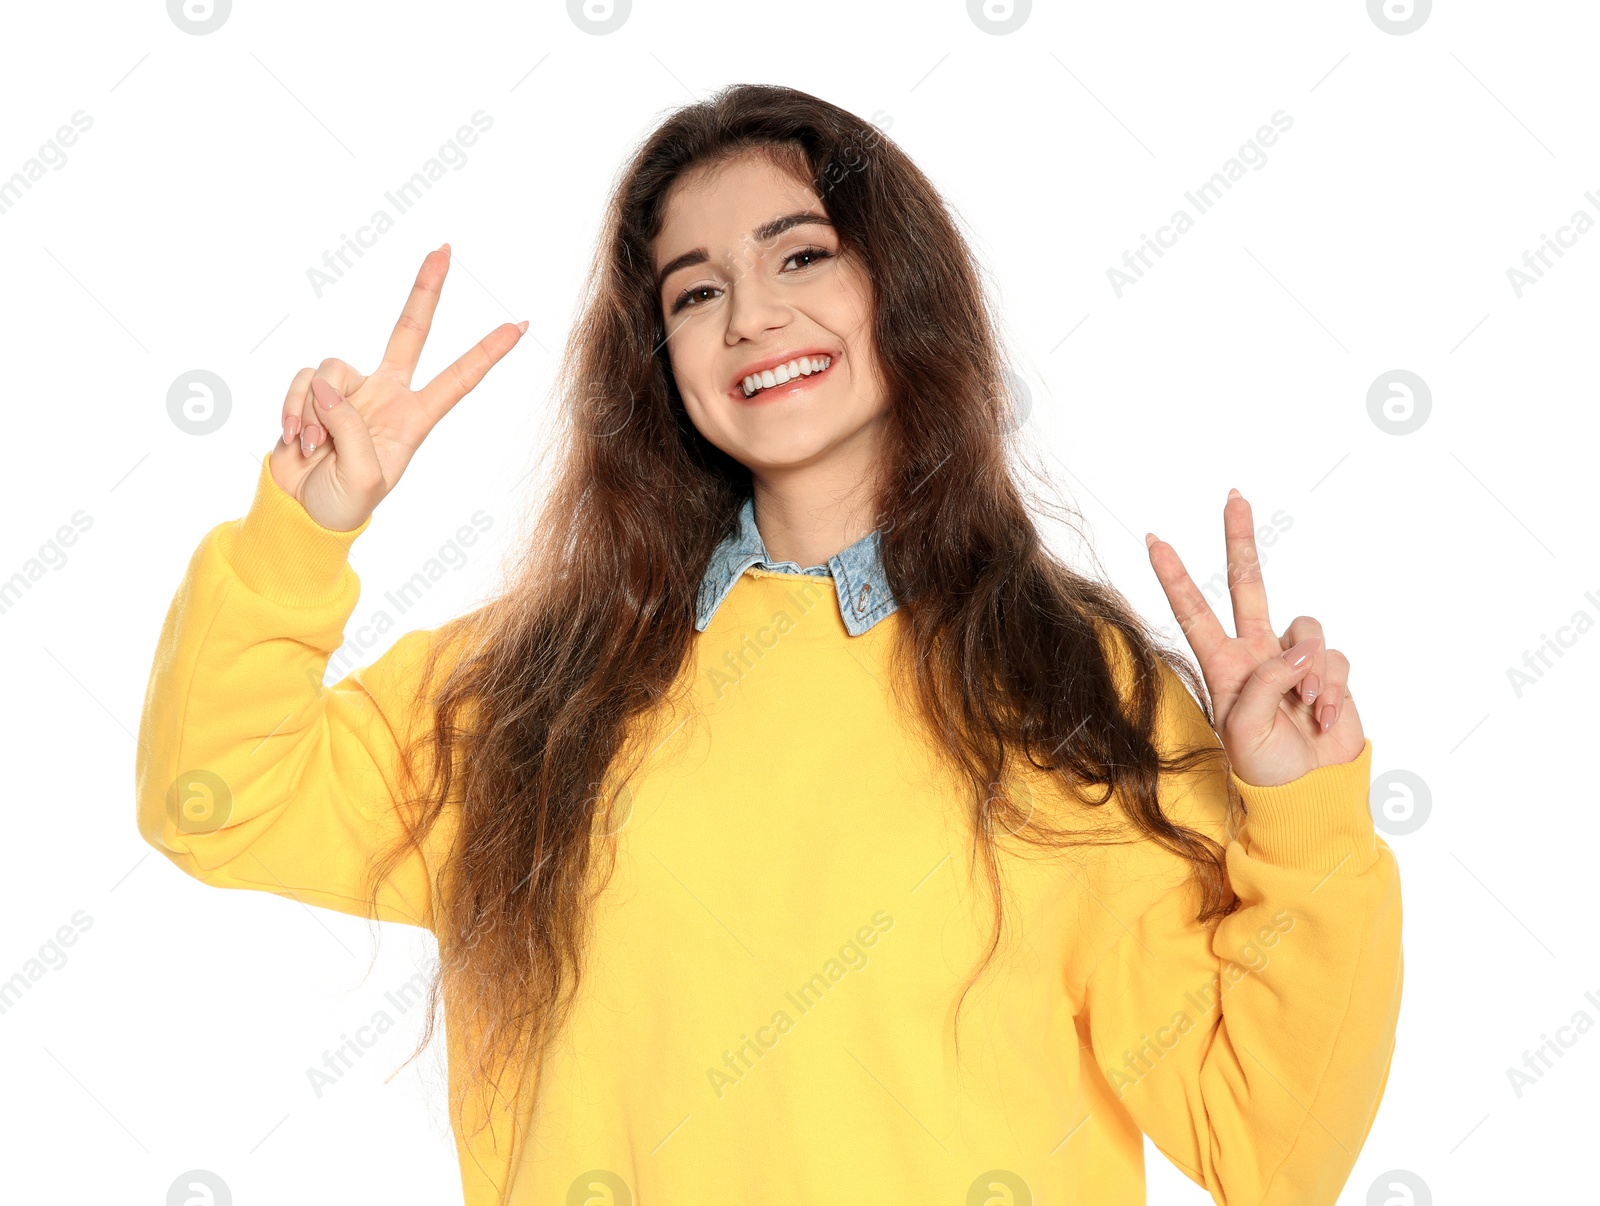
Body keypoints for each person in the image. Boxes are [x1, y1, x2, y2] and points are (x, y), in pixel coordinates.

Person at [136, 83, 1401, 1206]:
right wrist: (301, 535)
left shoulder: (1074, 689)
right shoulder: (536, 685)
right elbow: (216, 799)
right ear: (660, 358)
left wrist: (1304, 820)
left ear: (898, 291)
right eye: (696, 290)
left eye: (801, 256)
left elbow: (1269, 1156)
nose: (751, 315)